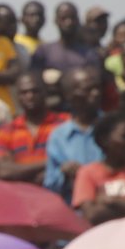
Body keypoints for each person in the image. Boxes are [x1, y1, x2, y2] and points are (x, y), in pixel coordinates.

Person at [0, 72, 69, 184]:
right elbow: (5, 171)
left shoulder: (65, 123)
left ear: (45, 92)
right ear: (17, 96)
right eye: (24, 93)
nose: (30, 96)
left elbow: (72, 162)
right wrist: (51, 162)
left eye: (35, 91)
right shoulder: (7, 130)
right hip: (21, 195)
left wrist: (22, 171)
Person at [43, 66, 105, 202]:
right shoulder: (59, 137)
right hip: (75, 211)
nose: (95, 93)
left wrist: (85, 173)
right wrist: (64, 173)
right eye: (87, 90)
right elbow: (50, 186)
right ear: (69, 96)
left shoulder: (112, 127)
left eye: (96, 88)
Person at [30, 2, 103, 77]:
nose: (68, 22)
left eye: (72, 18)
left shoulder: (88, 53)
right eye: (63, 18)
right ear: (56, 21)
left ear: (77, 21)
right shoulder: (44, 51)